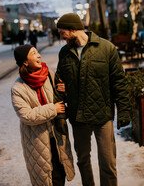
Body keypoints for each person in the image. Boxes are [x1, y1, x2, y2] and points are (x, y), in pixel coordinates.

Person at [54, 13, 131, 186]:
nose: (61, 37)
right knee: (82, 160)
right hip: (77, 116)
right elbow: (58, 84)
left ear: (73, 30)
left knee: (108, 162)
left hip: (102, 115)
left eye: (62, 32)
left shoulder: (106, 48)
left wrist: (124, 109)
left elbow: (118, 81)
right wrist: (59, 115)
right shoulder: (65, 53)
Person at [11, 44, 75, 186]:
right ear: (25, 62)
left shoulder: (50, 76)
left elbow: (62, 100)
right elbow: (26, 116)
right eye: (34, 53)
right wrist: (53, 109)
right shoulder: (18, 88)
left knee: (60, 175)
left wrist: (65, 91)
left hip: (57, 136)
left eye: (37, 52)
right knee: (45, 178)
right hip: (37, 140)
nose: (39, 55)